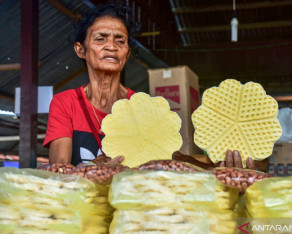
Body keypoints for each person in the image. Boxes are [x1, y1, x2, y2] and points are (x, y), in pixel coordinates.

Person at [43, 3, 255, 170]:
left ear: (127, 53)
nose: (111, 46)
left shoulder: (143, 106)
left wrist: (212, 170)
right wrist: (93, 170)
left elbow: (170, 157)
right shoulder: (66, 102)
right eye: (100, 39)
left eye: (120, 41)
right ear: (81, 50)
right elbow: (60, 168)